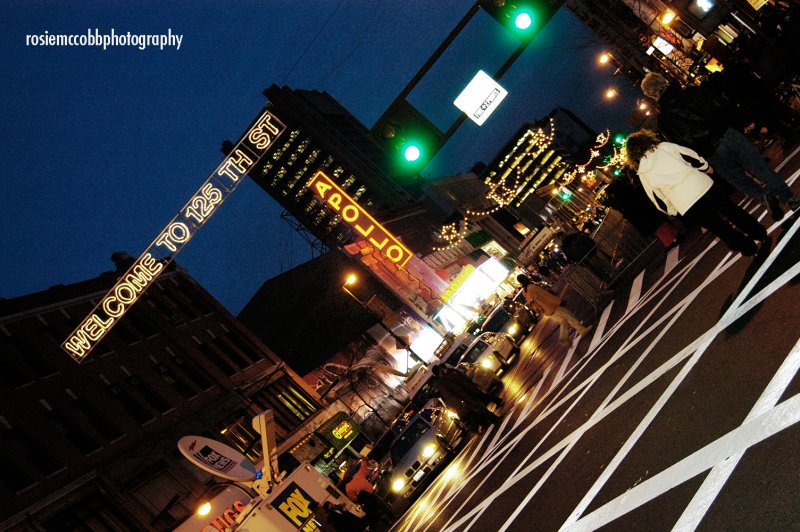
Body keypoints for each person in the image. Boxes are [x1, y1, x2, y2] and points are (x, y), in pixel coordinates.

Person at [640, 71, 800, 219]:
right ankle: (789, 198)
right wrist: (742, 121)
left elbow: (681, 145)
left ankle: (763, 196)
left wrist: (701, 159)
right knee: (760, 167)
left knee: (739, 180)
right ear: (664, 82)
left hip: (710, 152)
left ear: (652, 95)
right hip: (725, 133)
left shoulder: (665, 120)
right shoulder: (692, 92)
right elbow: (720, 104)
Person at [624, 129, 769, 257]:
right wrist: (706, 168)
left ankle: (748, 248)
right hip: (701, 185)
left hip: (686, 203)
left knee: (718, 227)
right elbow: (691, 156)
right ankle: (759, 233)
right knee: (731, 211)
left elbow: (658, 199)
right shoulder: (664, 147)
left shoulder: (643, 173)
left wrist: (673, 210)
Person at [516, 274, 592, 349]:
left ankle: (563, 337)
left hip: (545, 311)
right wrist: (559, 301)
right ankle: (581, 330)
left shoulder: (524, 292)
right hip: (551, 306)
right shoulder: (532, 287)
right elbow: (546, 296)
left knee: (563, 321)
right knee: (569, 316)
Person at [430, 364, 501, 428]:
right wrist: (461, 401)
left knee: (480, 405)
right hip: (465, 396)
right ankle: (494, 419)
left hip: (467, 394)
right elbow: (451, 394)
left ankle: (493, 418)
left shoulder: (447, 376)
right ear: (439, 370)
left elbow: (461, 381)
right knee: (480, 407)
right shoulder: (444, 381)